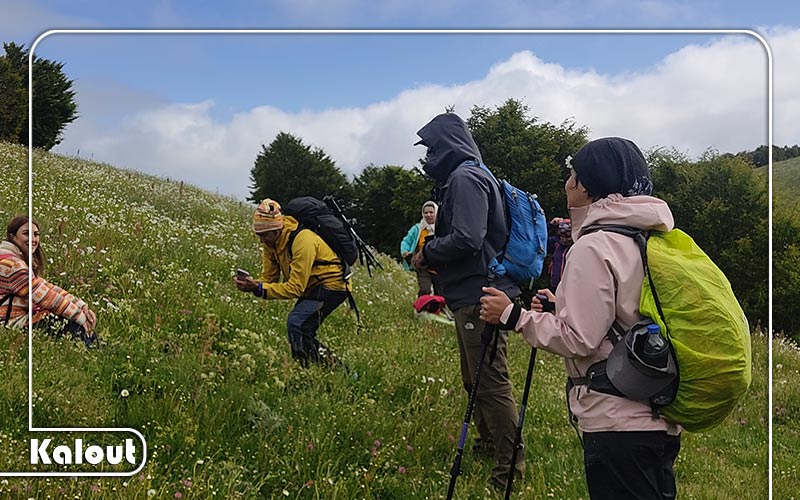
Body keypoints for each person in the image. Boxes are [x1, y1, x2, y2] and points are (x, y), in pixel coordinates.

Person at [479, 137, 681, 500]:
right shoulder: (648, 237)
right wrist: (562, 307)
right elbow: (625, 316)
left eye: (572, 174)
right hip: (657, 415)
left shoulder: (594, 244)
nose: (567, 182)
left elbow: (579, 339)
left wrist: (513, 317)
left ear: (585, 185)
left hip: (617, 420)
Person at [411, 112, 525, 490]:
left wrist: (429, 252)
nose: (428, 156)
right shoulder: (469, 175)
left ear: (446, 144)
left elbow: (468, 238)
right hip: (471, 293)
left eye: (430, 147)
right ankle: (488, 444)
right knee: (472, 378)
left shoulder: (465, 178)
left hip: (482, 295)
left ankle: (508, 470)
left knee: (490, 382)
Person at [234, 198, 350, 366]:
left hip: (333, 284)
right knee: (302, 328)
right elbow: (269, 279)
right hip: (313, 286)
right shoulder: (270, 243)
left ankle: (320, 370)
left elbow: (296, 288)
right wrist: (252, 284)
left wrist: (259, 288)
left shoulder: (303, 240)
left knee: (298, 324)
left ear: (276, 230)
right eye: (258, 235)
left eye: (264, 235)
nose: (261, 240)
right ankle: (319, 369)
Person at [0, 215, 98, 345]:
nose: (33, 239)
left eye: (36, 234)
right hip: (10, 322)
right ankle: (90, 351)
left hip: (16, 317)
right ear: (12, 237)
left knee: (64, 318)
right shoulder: (12, 265)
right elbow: (45, 297)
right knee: (66, 321)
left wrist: (81, 306)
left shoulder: (12, 259)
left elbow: (46, 287)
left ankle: (93, 345)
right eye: (26, 234)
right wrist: (79, 316)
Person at [400, 200, 438, 296]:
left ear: (436, 213)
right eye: (426, 212)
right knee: (425, 290)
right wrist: (405, 251)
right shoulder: (417, 228)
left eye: (431, 212)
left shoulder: (441, 228)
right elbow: (406, 241)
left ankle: (439, 310)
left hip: (439, 266)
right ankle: (422, 309)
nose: (428, 215)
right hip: (422, 264)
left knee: (440, 292)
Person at [547, 217, 573, 291]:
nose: (564, 239)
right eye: (562, 236)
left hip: (570, 287)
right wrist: (550, 225)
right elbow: (540, 239)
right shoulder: (556, 243)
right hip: (555, 286)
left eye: (567, 237)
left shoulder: (577, 246)